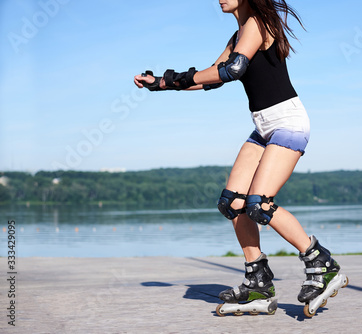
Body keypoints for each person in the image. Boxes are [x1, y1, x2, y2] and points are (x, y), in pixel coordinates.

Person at [134, 0, 347, 317]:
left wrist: (169, 79)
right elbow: (214, 78)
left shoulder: (257, 25)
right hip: (263, 127)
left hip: (287, 122)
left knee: (259, 203)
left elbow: (232, 70)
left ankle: (321, 262)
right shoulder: (236, 37)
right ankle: (258, 282)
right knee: (233, 203)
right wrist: (161, 85)